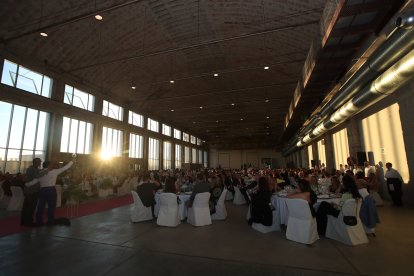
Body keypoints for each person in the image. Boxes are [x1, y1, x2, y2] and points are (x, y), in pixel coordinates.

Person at [26, 158, 74, 226]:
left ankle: (39, 221)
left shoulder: (40, 173)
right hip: (51, 190)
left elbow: (33, 182)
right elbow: (65, 168)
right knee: (51, 207)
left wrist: (26, 184)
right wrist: (72, 161)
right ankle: (50, 221)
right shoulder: (54, 171)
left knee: (41, 206)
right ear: (49, 166)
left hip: (42, 190)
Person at [21, 158, 44, 226]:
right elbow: (36, 176)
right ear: (34, 162)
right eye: (39, 162)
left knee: (31, 207)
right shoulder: (30, 169)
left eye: (40, 162)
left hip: (34, 191)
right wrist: (45, 172)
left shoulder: (36, 169)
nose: (40, 163)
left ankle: (26, 221)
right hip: (31, 191)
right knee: (29, 207)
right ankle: (27, 222)